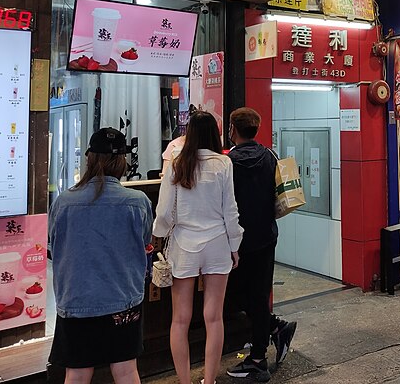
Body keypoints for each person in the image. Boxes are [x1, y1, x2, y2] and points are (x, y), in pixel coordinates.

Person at [48, 128, 153, 384]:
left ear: (89, 159)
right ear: (122, 162)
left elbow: (53, 244)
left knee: (78, 372)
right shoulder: (138, 202)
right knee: (126, 370)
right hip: (123, 300)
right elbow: (145, 241)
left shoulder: (63, 202)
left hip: (76, 301)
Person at [153, 111, 244, 384]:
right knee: (214, 318)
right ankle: (209, 380)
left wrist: (157, 233)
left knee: (180, 320)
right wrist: (235, 244)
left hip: (184, 246)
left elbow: (165, 211)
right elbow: (231, 210)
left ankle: (184, 380)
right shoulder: (224, 163)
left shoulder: (178, 163)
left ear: (189, 133)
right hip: (217, 243)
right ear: (214, 134)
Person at [227, 108, 297, 381]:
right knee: (258, 295)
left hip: (237, 241)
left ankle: (258, 359)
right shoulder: (269, 156)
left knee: (237, 295)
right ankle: (272, 330)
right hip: (266, 237)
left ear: (233, 128)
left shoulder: (228, 163)